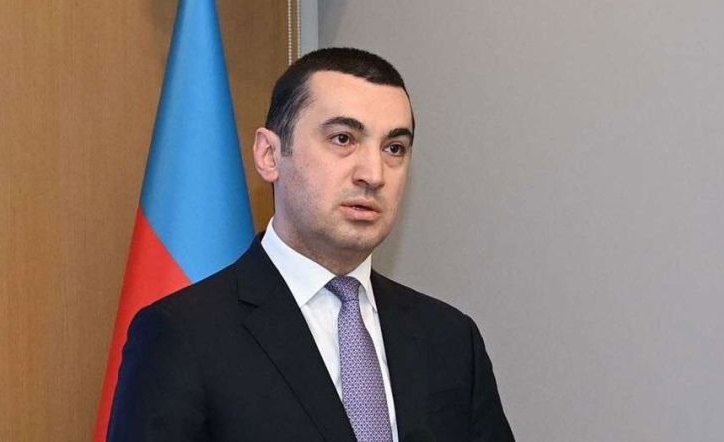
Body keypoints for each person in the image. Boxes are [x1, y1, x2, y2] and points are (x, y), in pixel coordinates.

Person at [107, 47, 514, 442]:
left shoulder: (450, 338)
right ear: (270, 155)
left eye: (394, 149)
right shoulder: (182, 334)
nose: (373, 174)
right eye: (343, 139)